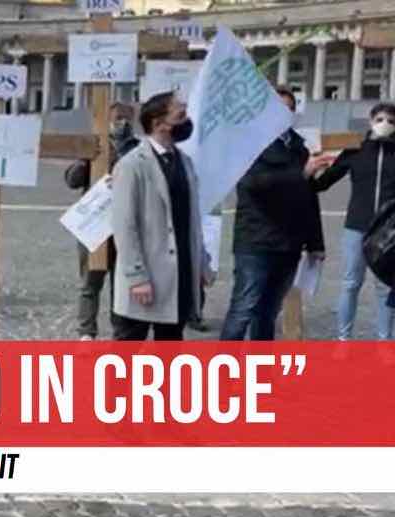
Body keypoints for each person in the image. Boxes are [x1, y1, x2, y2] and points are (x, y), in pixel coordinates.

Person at [220, 87, 331, 341]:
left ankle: (260, 373)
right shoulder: (249, 143)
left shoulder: (299, 147)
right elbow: (253, 184)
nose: (284, 114)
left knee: (268, 312)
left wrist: (315, 242)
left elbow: (308, 196)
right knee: (243, 309)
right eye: (278, 108)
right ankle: (224, 373)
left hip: (289, 243)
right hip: (256, 241)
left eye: (289, 108)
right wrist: (300, 174)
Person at [110, 91, 211, 341]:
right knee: (126, 353)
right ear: (158, 123)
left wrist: (201, 261)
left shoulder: (185, 161)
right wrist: (136, 277)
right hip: (146, 274)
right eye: (180, 114)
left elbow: (192, 218)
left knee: (170, 348)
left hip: (179, 275)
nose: (186, 120)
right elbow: (124, 225)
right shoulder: (132, 165)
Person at [311, 102, 395, 340]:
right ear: (371, 121)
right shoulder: (355, 150)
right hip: (356, 227)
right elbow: (323, 183)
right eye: (380, 119)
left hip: (388, 232)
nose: (385, 124)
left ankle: (384, 342)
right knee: (350, 284)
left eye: (390, 121)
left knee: (385, 287)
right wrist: (312, 167)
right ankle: (343, 340)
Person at [64, 102, 140, 340]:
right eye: (118, 118)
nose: (122, 123)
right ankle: (87, 331)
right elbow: (72, 180)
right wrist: (87, 161)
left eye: (127, 118)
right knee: (90, 280)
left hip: (125, 224)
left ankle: (120, 329)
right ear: (107, 119)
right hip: (94, 222)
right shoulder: (95, 145)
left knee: (122, 281)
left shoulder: (138, 148)